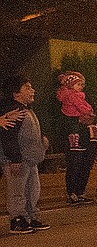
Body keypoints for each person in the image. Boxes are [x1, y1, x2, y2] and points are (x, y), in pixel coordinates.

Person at [1, 76, 50, 233]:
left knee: (32, 190)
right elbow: (9, 137)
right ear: (16, 93)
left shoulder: (26, 110)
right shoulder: (14, 112)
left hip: (29, 160)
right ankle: (17, 219)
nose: (32, 90)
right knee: (18, 191)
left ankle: (30, 216)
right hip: (18, 160)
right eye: (27, 87)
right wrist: (14, 159)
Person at [56, 70, 97, 204]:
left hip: (83, 132)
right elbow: (84, 109)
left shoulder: (80, 96)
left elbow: (87, 107)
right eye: (78, 84)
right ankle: (73, 192)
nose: (81, 87)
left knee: (85, 163)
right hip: (75, 133)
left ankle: (80, 192)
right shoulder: (71, 97)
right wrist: (88, 113)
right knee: (75, 163)